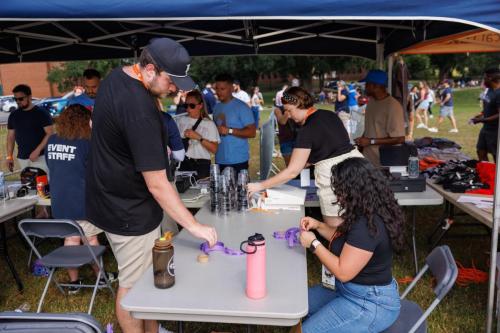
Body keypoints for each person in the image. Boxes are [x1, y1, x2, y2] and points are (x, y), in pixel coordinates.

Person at [86, 37, 217, 333]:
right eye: (172, 81)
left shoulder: (117, 78)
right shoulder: (140, 111)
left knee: (146, 278)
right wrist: (193, 226)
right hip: (127, 210)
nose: (177, 89)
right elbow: (157, 183)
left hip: (109, 196)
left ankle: (153, 329)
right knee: (133, 287)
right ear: (148, 69)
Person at [299, 157, 403, 333]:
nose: (337, 195)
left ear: (353, 189)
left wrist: (314, 244)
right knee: (299, 305)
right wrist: (318, 226)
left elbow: (343, 271)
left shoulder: (368, 226)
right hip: (348, 290)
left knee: (308, 331)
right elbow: (347, 243)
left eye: (340, 189)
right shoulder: (367, 211)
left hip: (369, 303)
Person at [248, 87, 364, 227]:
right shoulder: (330, 115)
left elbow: (293, 171)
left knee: (337, 229)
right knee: (359, 220)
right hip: (359, 170)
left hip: (335, 179)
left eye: (289, 110)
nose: (288, 116)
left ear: (298, 104)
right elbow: (333, 147)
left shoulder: (307, 130)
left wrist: (259, 186)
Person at [45, 103, 116, 294]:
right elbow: (96, 172)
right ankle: (101, 277)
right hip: (83, 201)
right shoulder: (87, 142)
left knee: (71, 239)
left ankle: (74, 282)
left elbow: (52, 167)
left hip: (60, 201)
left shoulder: (52, 140)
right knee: (90, 240)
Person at [355, 70, 405, 167]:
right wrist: (362, 142)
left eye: (367, 84)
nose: (365, 87)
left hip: (383, 163)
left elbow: (400, 139)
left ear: (376, 86)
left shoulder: (393, 106)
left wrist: (370, 141)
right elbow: (370, 127)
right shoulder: (372, 102)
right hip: (368, 159)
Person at [213, 73, 256, 174]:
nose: (218, 92)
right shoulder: (216, 108)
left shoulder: (242, 107)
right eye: (217, 89)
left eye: (222, 89)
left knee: (239, 189)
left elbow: (252, 132)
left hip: (238, 160)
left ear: (231, 88)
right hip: (220, 159)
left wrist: (229, 130)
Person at [6, 84, 54, 173]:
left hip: (41, 157)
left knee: (43, 185)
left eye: (20, 99)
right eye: (15, 99)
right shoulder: (13, 115)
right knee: (27, 185)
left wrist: (37, 150)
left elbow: (50, 133)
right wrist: (9, 156)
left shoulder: (41, 113)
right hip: (22, 158)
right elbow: (10, 137)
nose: (18, 101)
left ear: (29, 97)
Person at [177, 90, 220, 179]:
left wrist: (198, 137)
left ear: (200, 106)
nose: (188, 109)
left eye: (192, 106)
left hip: (201, 165)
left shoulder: (209, 124)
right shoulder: (180, 120)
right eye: (186, 105)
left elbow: (215, 149)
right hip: (183, 163)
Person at [471, 67, 500, 161]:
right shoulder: (490, 91)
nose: (483, 81)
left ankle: (496, 175)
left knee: (496, 156)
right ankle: (486, 174)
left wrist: (481, 120)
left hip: (496, 131)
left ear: (490, 78)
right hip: (486, 128)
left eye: (485, 78)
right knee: (480, 151)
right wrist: (481, 114)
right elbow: (490, 106)